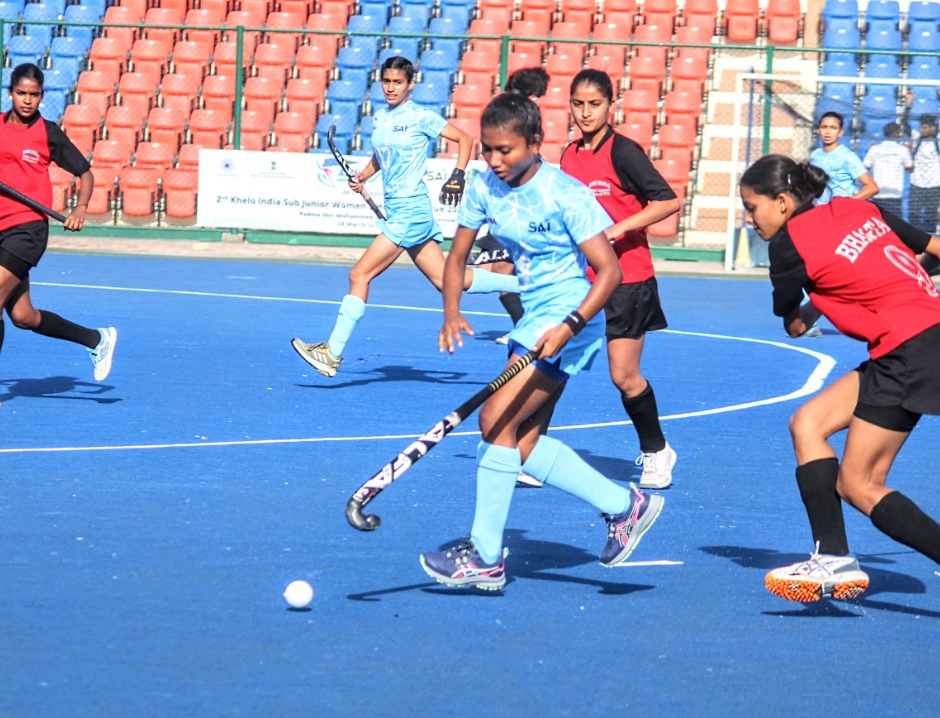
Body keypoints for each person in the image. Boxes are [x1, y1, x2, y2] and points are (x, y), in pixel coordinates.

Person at [739, 153, 940, 630]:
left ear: (781, 202)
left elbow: (795, 324)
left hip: (912, 351)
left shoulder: (786, 245)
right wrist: (909, 271)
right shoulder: (856, 208)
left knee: (858, 484)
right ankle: (833, 555)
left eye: (752, 208)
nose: (750, 219)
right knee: (808, 424)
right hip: (921, 339)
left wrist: (823, 299)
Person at [419, 93, 664, 590]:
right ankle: (626, 506)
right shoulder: (485, 185)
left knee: (494, 419)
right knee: (522, 442)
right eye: (487, 149)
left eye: (504, 150)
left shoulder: (566, 193)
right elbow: (457, 254)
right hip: (536, 314)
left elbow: (611, 272)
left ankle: (485, 557)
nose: (493, 160)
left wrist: (570, 325)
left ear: (535, 143)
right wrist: (451, 311)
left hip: (574, 314)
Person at [291, 56, 518, 377]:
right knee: (447, 280)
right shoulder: (380, 118)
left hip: (411, 212)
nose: (391, 88)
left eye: (398, 82)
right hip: (401, 211)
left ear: (410, 84)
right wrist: (365, 176)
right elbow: (382, 156)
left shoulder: (420, 117)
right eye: (386, 81)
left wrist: (458, 175)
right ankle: (526, 285)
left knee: (359, 275)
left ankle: (332, 352)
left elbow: (466, 140)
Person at [0, 63, 116, 408]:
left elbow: (85, 173)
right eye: (22, 93)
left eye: (34, 94)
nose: (27, 100)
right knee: (23, 316)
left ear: (41, 96)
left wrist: (80, 208)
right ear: (11, 93)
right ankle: (96, 339)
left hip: (29, 228)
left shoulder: (48, 132)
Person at [559, 69, 681, 489]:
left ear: (611, 106)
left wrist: (615, 230)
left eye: (595, 104)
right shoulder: (569, 155)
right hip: (583, 281)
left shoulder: (624, 152)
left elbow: (668, 200)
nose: (586, 112)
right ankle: (530, 449)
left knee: (624, 377)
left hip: (628, 279)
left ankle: (657, 451)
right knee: (551, 362)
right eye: (578, 103)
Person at [468, 67, 551, 345]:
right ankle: (529, 326)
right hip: (510, 206)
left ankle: (528, 328)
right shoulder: (523, 117)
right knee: (504, 275)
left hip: (516, 209)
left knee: (504, 277)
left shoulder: (511, 115)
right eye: (536, 94)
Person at [808, 111, 878, 204]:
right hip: (817, 211)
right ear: (818, 130)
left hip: (839, 214)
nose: (828, 132)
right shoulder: (814, 155)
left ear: (840, 132)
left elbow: (872, 187)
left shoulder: (847, 157)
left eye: (833, 128)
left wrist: (846, 204)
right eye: (824, 127)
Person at [861, 121, 912, 218]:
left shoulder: (875, 149)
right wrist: (910, 150)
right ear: (896, 133)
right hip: (895, 194)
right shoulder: (902, 150)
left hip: (878, 193)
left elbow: (865, 166)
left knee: (879, 222)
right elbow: (910, 167)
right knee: (895, 225)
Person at [907, 113, 940, 233]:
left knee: (931, 215)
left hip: (934, 185)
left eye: (925, 128)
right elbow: (905, 126)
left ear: (932, 128)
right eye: (921, 127)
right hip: (917, 184)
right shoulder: (916, 138)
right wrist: (908, 107)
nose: (922, 130)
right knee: (914, 213)